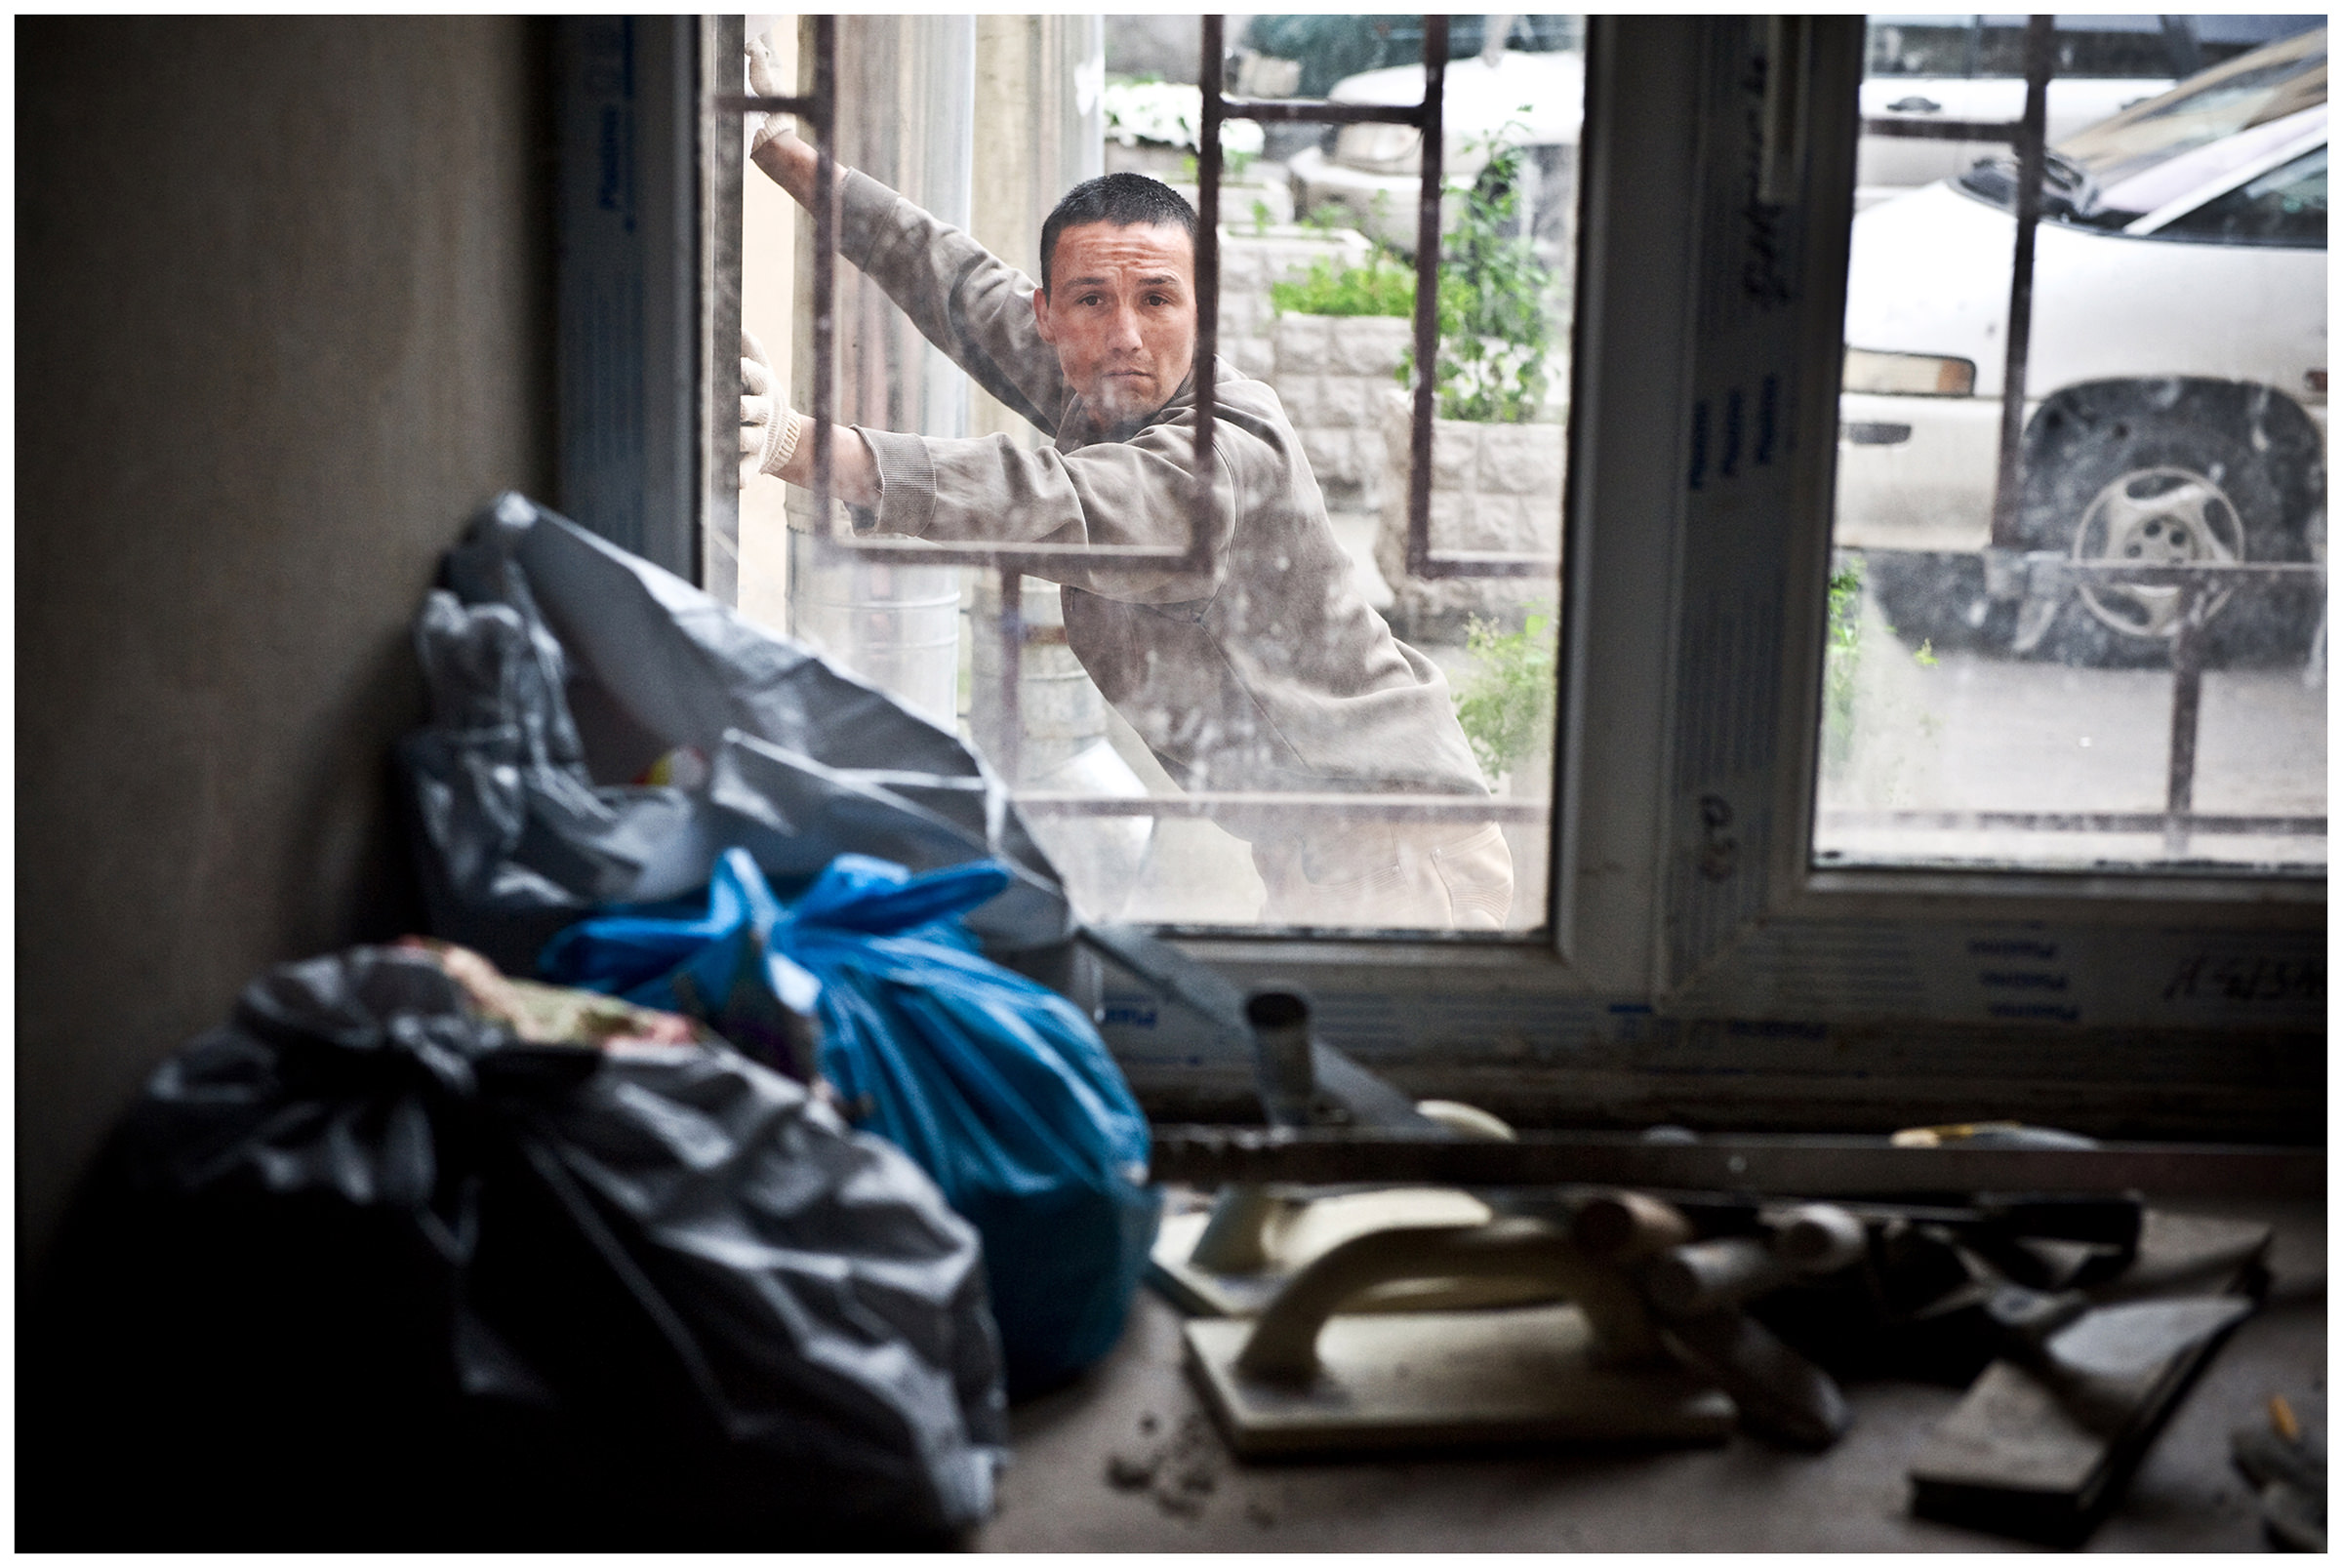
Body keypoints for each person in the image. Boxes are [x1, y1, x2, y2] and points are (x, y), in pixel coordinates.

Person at [737, 83, 1514, 931]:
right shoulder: (1113, 386)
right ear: (1048, 315)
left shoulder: (1225, 447)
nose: (1126, 335)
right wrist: (775, 141)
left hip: (1398, 847)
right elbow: (955, 281)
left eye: (1157, 299)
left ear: (1201, 310)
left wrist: (794, 444)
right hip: (1315, 840)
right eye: (1092, 300)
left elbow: (1054, 501)